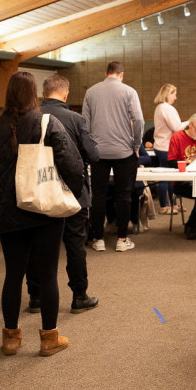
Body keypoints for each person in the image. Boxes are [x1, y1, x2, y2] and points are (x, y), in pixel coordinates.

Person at [0, 72, 86, 356]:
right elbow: (71, 163)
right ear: (34, 93)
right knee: (47, 274)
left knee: (13, 275)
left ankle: (11, 338)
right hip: (44, 210)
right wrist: (74, 191)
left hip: (7, 211)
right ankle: (49, 339)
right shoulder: (46, 123)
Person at [38, 74, 100, 314]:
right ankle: (79, 295)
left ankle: (36, 296)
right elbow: (93, 155)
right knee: (75, 244)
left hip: (40, 190)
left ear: (44, 93)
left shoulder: (31, 118)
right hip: (72, 192)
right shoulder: (75, 119)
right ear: (65, 94)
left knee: (40, 245)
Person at [82, 61, 144, 253]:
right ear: (121, 74)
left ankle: (98, 239)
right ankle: (122, 239)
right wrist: (136, 145)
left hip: (98, 152)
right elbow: (139, 120)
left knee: (98, 196)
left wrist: (90, 146)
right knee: (123, 196)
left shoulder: (91, 92)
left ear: (106, 73)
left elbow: (84, 123)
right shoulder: (129, 92)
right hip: (124, 151)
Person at [167, 112, 196, 240]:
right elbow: (171, 162)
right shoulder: (177, 137)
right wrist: (189, 165)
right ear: (189, 125)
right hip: (182, 182)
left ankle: (191, 223)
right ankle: (192, 224)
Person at [152, 84, 183, 214]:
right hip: (165, 146)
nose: (175, 97)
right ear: (168, 94)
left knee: (169, 176)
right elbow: (177, 128)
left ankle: (173, 205)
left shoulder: (160, 107)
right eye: (174, 94)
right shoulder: (166, 108)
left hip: (162, 145)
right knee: (165, 176)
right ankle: (164, 207)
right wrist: (190, 122)